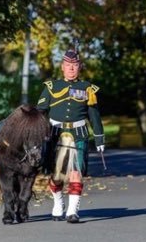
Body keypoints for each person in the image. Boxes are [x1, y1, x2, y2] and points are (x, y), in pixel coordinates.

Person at [37, 47, 105, 223]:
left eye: (75, 65)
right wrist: (36, 134)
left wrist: (99, 138)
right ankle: (58, 204)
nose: (71, 68)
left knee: (76, 172)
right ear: (62, 67)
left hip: (78, 134)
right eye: (68, 65)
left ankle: (73, 211)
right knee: (56, 175)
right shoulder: (51, 87)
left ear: (80, 66)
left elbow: (94, 116)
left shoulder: (88, 88)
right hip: (55, 134)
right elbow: (40, 112)